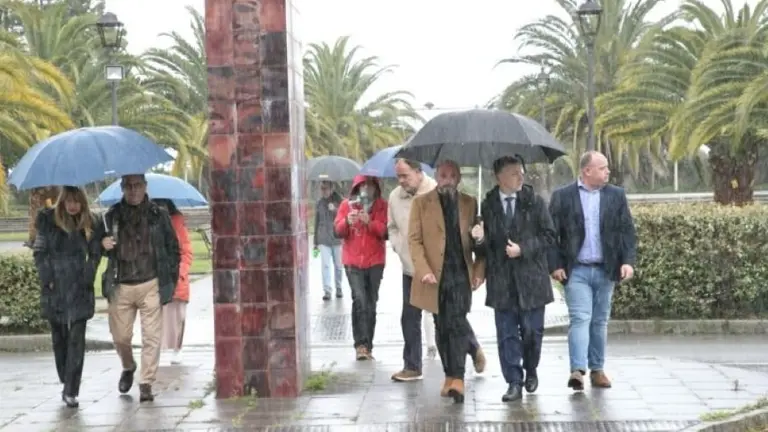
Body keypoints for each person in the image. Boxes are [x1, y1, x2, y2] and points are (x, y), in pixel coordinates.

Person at [548, 151, 637, 391]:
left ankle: (597, 369)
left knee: (599, 321)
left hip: (605, 269)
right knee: (580, 318)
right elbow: (551, 235)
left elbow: (627, 231)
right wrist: (555, 265)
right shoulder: (562, 196)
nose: (608, 171)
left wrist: (627, 261)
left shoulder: (616, 196)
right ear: (587, 171)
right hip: (575, 270)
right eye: (602, 168)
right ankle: (577, 370)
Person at [471, 156, 556, 402]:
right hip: (502, 281)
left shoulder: (535, 202)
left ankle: (531, 368)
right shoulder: (487, 206)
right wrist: (479, 238)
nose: (520, 177)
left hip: (531, 280)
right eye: (514, 173)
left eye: (522, 172)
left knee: (532, 332)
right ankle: (513, 381)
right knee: (507, 334)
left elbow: (549, 236)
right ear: (499, 177)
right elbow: (484, 249)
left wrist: (523, 249)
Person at [408, 160, 485, 404]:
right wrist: (423, 270)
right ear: (436, 177)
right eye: (443, 175)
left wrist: (479, 263)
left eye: (453, 175)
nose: (448, 180)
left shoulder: (470, 203)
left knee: (458, 323)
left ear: (459, 178)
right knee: (441, 326)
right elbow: (414, 240)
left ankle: (458, 378)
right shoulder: (421, 203)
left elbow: (480, 247)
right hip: (434, 276)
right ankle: (448, 375)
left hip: (461, 273)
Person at [98, 174, 180, 402]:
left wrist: (169, 280)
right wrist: (102, 244)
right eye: (129, 186)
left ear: (145, 187)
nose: (133, 190)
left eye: (138, 186)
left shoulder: (158, 215)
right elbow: (96, 247)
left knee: (152, 337)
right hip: (120, 284)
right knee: (121, 338)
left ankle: (146, 383)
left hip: (150, 282)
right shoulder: (111, 217)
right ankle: (128, 365)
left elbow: (173, 248)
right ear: (122, 188)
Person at [32, 186, 100, 408]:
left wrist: (90, 271)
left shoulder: (90, 222)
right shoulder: (47, 221)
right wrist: (47, 278)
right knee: (59, 337)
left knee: (76, 339)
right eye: (69, 201)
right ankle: (65, 377)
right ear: (62, 201)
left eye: (77, 201)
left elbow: (97, 250)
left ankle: (71, 389)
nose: (73, 206)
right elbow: (39, 252)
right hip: (56, 287)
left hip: (80, 285)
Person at [388, 159, 438, 382]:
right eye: (398, 176)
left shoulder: (435, 192)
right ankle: (412, 366)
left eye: (405, 176)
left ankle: (471, 349)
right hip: (409, 268)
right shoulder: (394, 197)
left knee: (444, 317)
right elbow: (392, 227)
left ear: (419, 172)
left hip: (434, 268)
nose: (401, 181)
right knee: (409, 317)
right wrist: (400, 247)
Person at [334, 175, 388, 360]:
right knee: (359, 299)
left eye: (370, 185)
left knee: (371, 302)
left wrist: (370, 222)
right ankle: (360, 345)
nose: (366, 189)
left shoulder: (382, 206)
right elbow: (337, 231)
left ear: (376, 186)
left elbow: (386, 232)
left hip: (375, 261)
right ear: (356, 187)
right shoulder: (347, 205)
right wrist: (346, 222)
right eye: (362, 185)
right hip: (352, 260)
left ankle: (368, 345)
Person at [153, 199, 193, 365]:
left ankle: (177, 349)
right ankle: (155, 350)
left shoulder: (178, 223)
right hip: (155, 277)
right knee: (155, 316)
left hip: (176, 277)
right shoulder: (149, 223)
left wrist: (180, 272)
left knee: (178, 315)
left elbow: (187, 252)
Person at [313, 181, 344, 301]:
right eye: (322, 188)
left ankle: (339, 287)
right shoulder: (319, 203)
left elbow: (344, 218)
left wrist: (335, 210)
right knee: (325, 265)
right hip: (323, 239)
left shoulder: (340, 201)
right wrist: (315, 242)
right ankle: (327, 290)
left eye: (326, 188)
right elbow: (316, 222)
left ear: (332, 188)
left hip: (337, 239)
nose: (323, 191)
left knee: (338, 266)